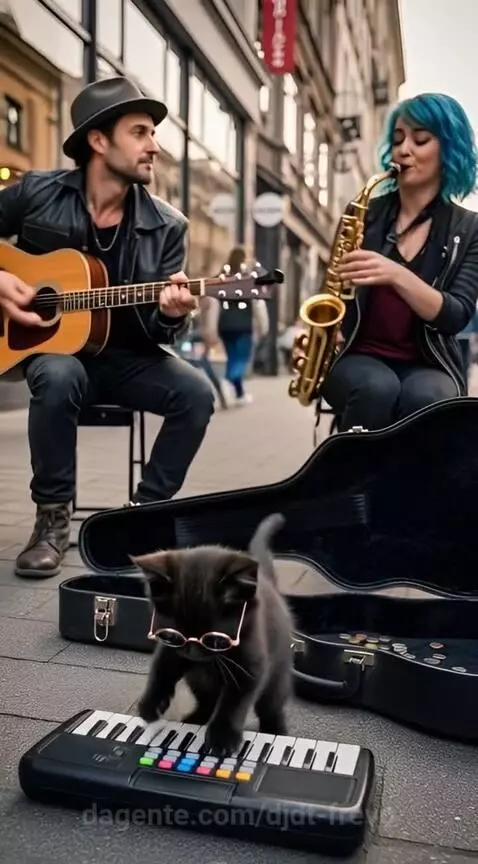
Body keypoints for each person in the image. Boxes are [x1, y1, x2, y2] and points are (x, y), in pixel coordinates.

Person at [0, 76, 215, 579]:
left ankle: (142, 517)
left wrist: (172, 313)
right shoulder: (36, 192)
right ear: (99, 140)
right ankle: (52, 520)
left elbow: (159, 334)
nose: (154, 146)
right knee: (57, 375)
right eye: (140, 132)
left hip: (128, 359)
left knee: (197, 395)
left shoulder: (168, 226)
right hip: (54, 353)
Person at [319, 92, 478, 432]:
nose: (404, 149)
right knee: (376, 389)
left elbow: (455, 314)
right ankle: (353, 482)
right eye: (398, 139)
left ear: (449, 149)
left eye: (420, 140)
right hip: (359, 356)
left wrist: (396, 274)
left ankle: (412, 486)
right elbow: (333, 294)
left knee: (429, 400)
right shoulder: (363, 215)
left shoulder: (469, 228)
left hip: (431, 363)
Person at [201, 246, 269, 406]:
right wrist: (263, 326)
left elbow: (212, 300)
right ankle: (227, 381)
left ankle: (239, 394)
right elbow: (258, 304)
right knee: (241, 360)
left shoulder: (223, 276)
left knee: (232, 358)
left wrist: (211, 327)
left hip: (224, 326)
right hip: (243, 326)